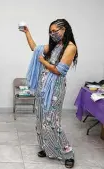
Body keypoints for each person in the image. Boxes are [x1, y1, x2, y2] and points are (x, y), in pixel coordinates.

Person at [21, 19, 77, 168]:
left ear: (64, 29)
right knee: (41, 119)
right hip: (43, 86)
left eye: (55, 31)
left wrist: (43, 62)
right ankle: (47, 148)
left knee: (52, 120)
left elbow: (59, 70)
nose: (52, 34)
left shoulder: (70, 47)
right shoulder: (55, 46)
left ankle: (68, 154)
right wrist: (27, 32)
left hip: (55, 88)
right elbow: (35, 49)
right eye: (50, 32)